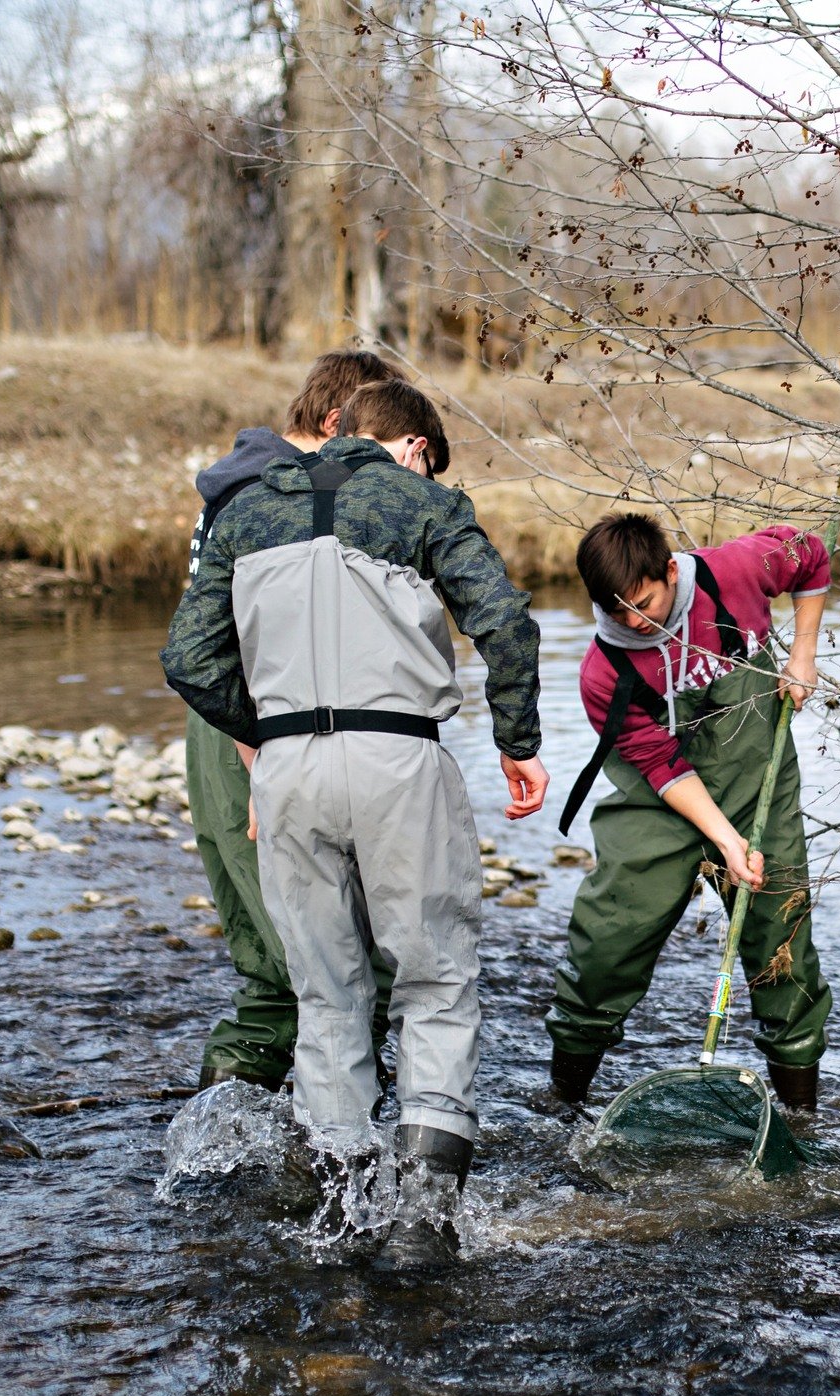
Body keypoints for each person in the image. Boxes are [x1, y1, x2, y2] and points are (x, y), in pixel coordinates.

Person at [162, 378, 548, 1268]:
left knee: (325, 992)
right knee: (434, 981)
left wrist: (267, 733)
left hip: (287, 773)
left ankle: (340, 1214)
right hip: (397, 759)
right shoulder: (423, 503)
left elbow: (187, 657)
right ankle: (420, 1225)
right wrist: (518, 742)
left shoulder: (244, 512)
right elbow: (504, 621)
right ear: (413, 447)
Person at [543, 513, 832, 1113]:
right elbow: (660, 764)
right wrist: (725, 841)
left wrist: (802, 655)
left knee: (782, 945)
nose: (633, 622)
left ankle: (801, 1121)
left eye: (644, 603)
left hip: (758, 781)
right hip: (658, 800)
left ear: (670, 572)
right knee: (606, 942)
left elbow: (812, 555)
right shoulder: (603, 672)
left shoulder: (739, 570)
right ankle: (562, 1105)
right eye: (616, 610)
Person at [183, 351, 400, 1094]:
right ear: (337, 425)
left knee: (284, 969)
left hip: (232, 722)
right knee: (322, 961)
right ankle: (322, 1143)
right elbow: (240, 645)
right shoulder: (274, 496)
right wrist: (262, 770)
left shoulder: (249, 484)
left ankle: (238, 1141)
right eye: (376, 441)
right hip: (255, 729)